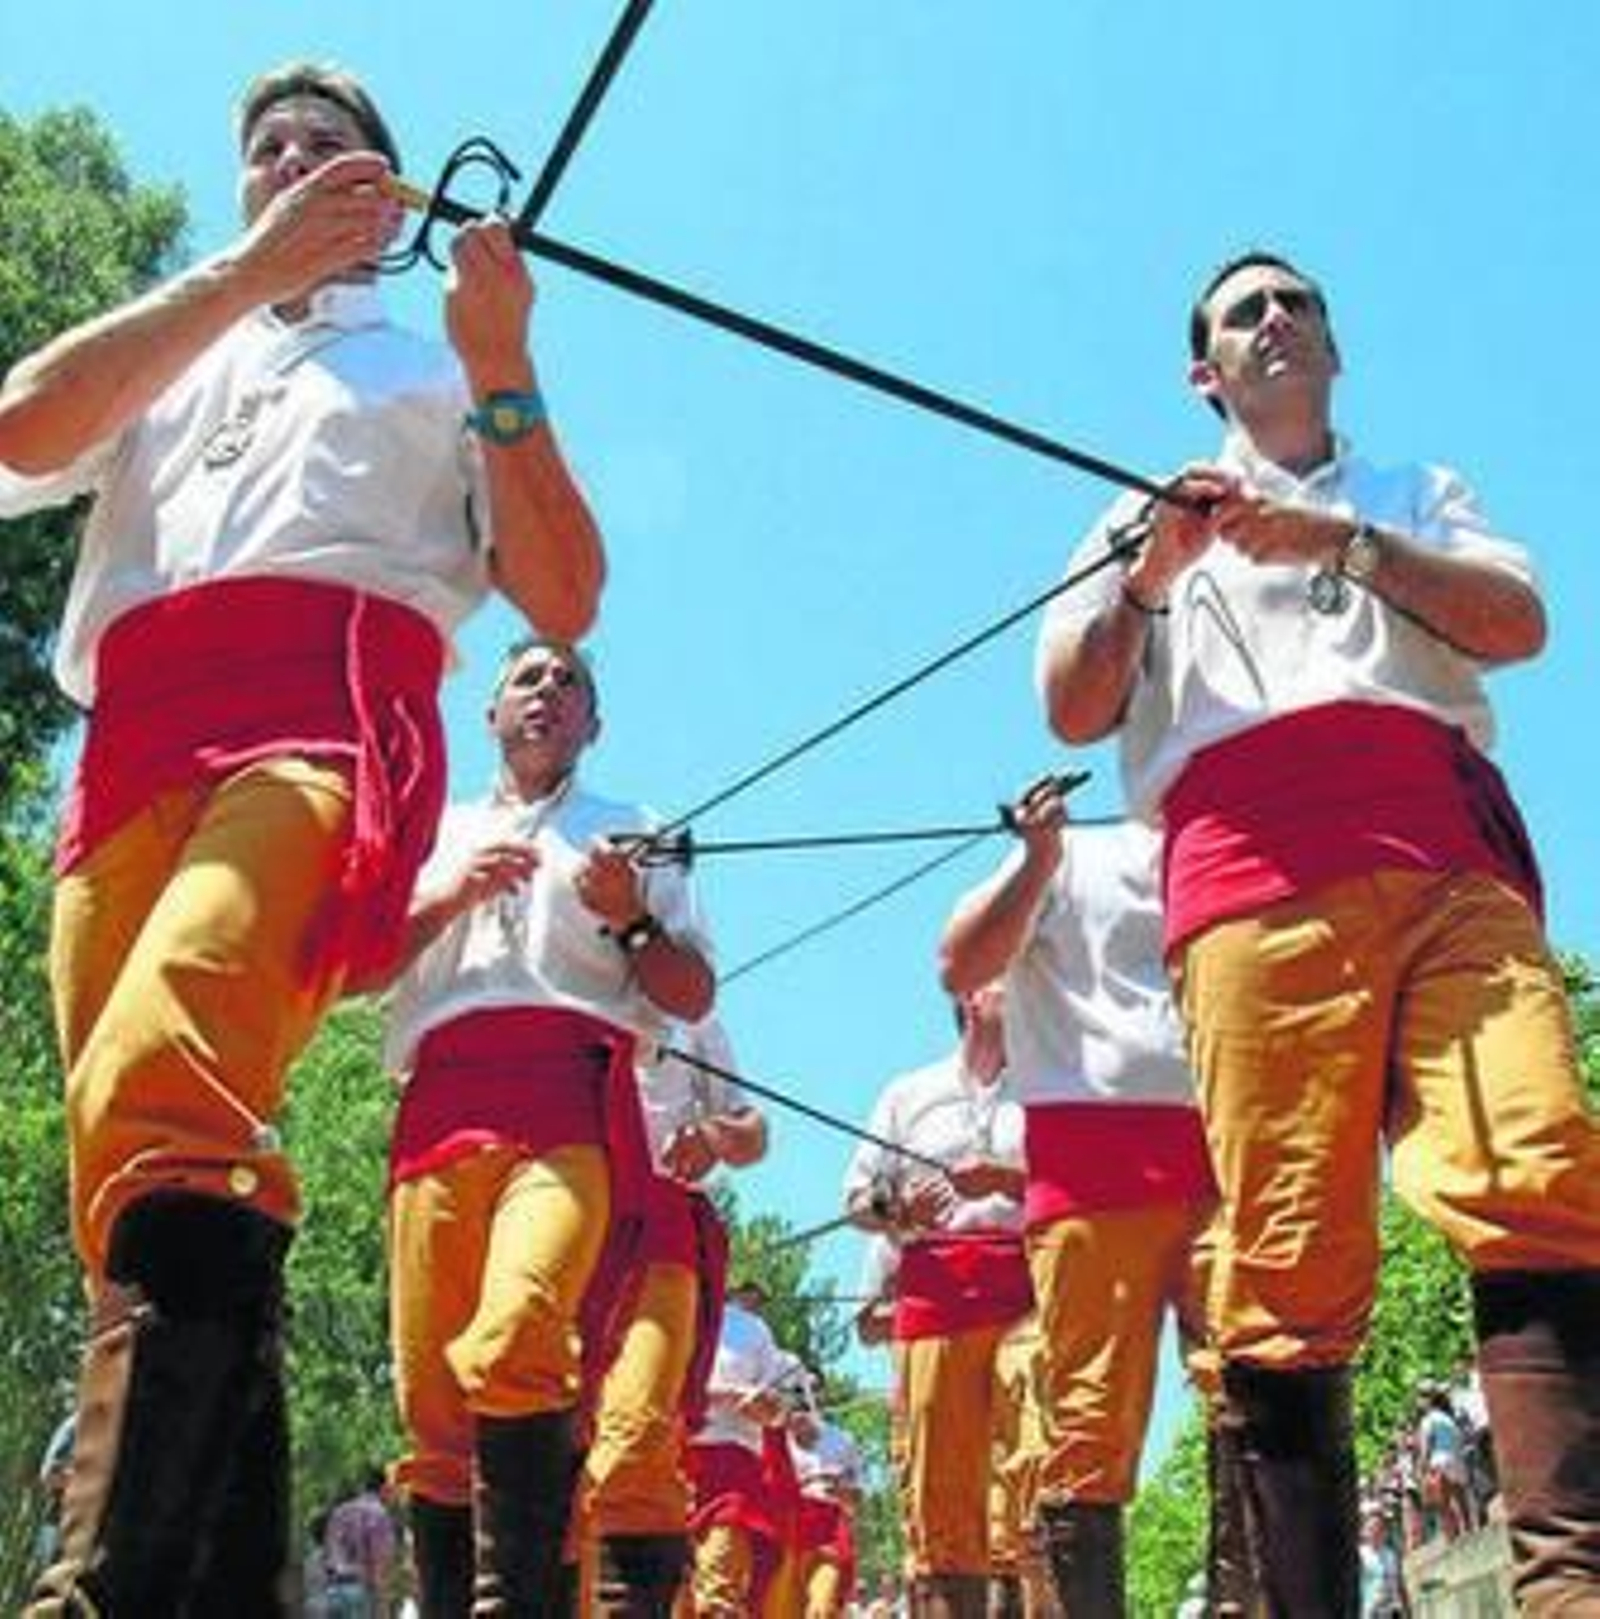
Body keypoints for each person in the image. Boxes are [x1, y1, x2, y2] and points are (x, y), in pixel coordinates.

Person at [0, 59, 604, 1615]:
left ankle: (108, 1576)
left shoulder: (428, 368)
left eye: (325, 145)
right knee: (135, 1175)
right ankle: (226, 1583)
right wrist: (235, 278)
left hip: (322, 722)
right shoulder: (173, 347)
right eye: (264, 148)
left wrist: (505, 362)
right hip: (126, 746)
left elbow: (564, 593)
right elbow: (18, 430)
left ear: (384, 199)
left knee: (162, 1069)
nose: (286, 159)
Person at [1036, 248, 1600, 1613]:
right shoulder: (1139, 513)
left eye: (1298, 302)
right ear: (1204, 372)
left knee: (1541, 1158)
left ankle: (1571, 1586)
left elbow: (1515, 620)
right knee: (1288, 1261)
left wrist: (1342, 544)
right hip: (1251, 883)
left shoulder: (1416, 493)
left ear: (1334, 346)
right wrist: (1150, 575)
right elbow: (1071, 700)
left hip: (1446, 852)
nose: (1276, 320)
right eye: (1245, 312)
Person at [378, 637, 713, 1613]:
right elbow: (356, 967)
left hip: (568, 1100)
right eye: (528, 677)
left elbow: (689, 992)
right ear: (490, 713)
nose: (548, 692)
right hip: (436, 1102)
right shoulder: (433, 829)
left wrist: (632, 916)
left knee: (523, 1323)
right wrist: (451, 890)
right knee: (435, 1406)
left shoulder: (634, 831)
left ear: (592, 726)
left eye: (570, 684)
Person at [940, 780, 1224, 1613]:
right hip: (1091, 1176)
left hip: (1226, 1157)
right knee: (1089, 1428)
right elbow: (959, 961)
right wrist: (1037, 858)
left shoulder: (1245, 843)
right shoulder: (1075, 856)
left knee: (1254, 1372)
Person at [842, 985, 1030, 1616]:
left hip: (1030, 1292)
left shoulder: (1049, 1081)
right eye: (1007, 973)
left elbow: (1084, 1177)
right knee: (940, 1503)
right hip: (935, 1298)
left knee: (1041, 1472)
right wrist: (900, 1209)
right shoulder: (908, 1093)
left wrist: (1005, 1178)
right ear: (972, 997)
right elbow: (857, 1201)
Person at [576, 1016, 767, 1613]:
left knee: (636, 1437)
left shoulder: (691, 1010)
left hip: (659, 1235)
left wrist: (712, 1135)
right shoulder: (547, 962)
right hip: (561, 1206)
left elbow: (753, 1132)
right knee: (546, 1438)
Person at [685, 1280, 791, 1616]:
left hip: (731, 1469)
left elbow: (778, 1408)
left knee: (717, 1594)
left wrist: (765, 1407)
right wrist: (719, 1396)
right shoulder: (658, 1304)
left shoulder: (752, 1329)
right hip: (665, 1465)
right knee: (670, 1594)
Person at [323, 1468, 398, 1618]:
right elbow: (380, 1564)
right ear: (384, 1488)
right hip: (362, 1592)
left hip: (333, 1590)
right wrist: (383, 1609)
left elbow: (328, 1552)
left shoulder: (339, 1511)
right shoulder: (379, 1514)